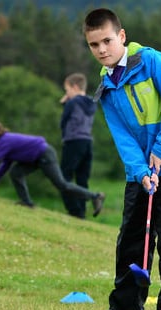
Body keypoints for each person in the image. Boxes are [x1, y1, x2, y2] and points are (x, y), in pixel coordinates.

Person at [83, 8, 161, 310]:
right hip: (142, 171)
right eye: (94, 45)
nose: (102, 50)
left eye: (107, 41)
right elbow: (122, 136)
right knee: (132, 238)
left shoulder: (153, 62)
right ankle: (124, 307)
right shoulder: (106, 85)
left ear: (121, 36)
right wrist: (140, 171)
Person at [0, 118, 105, 215]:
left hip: (44, 154)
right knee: (16, 172)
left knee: (62, 185)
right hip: (35, 157)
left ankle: (95, 196)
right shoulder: (4, 142)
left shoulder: (4, 141)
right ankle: (27, 203)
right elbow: (5, 163)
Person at [59, 72, 97, 219]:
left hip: (73, 141)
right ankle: (81, 211)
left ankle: (74, 210)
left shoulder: (72, 102)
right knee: (82, 178)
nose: (66, 93)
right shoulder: (92, 102)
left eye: (67, 90)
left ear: (74, 87)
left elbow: (64, 121)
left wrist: (65, 103)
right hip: (87, 142)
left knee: (64, 177)